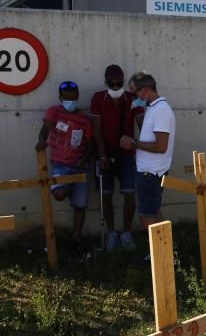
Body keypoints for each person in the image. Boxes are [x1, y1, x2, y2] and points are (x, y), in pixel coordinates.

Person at [90, 64, 144, 251]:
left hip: (127, 155)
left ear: (123, 81)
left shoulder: (132, 99)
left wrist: (145, 145)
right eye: (111, 83)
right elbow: (96, 130)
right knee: (105, 195)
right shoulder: (98, 98)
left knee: (130, 194)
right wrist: (102, 155)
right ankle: (112, 232)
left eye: (118, 83)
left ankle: (127, 233)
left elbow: (142, 123)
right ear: (106, 82)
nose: (115, 86)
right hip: (104, 153)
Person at [36, 80, 93, 250]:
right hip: (61, 165)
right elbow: (44, 129)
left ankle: (76, 240)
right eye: (67, 98)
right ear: (60, 98)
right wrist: (41, 142)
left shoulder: (84, 120)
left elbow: (89, 143)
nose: (71, 101)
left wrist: (85, 157)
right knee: (59, 193)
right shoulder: (54, 112)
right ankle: (68, 188)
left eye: (74, 98)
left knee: (80, 206)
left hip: (80, 166)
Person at [120, 72, 175, 231]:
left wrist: (133, 144)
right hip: (149, 171)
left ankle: (161, 255)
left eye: (134, 93)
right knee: (153, 212)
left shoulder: (161, 110)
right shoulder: (153, 108)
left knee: (146, 217)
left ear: (144, 90)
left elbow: (161, 146)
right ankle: (166, 254)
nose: (132, 97)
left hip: (151, 173)